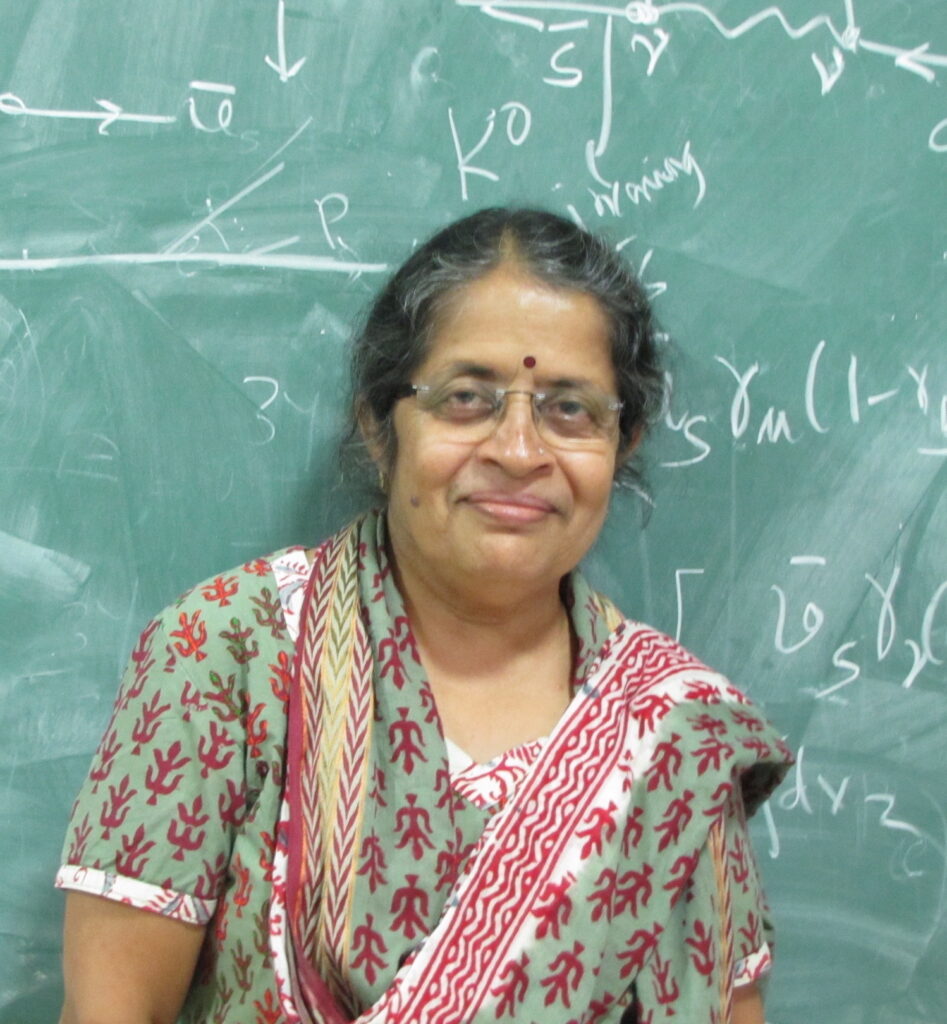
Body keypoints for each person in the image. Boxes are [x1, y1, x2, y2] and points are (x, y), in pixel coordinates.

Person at [57, 207, 792, 1024]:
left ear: (622, 446)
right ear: (379, 426)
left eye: (570, 409)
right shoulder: (229, 650)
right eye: (467, 398)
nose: (518, 450)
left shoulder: (675, 731)